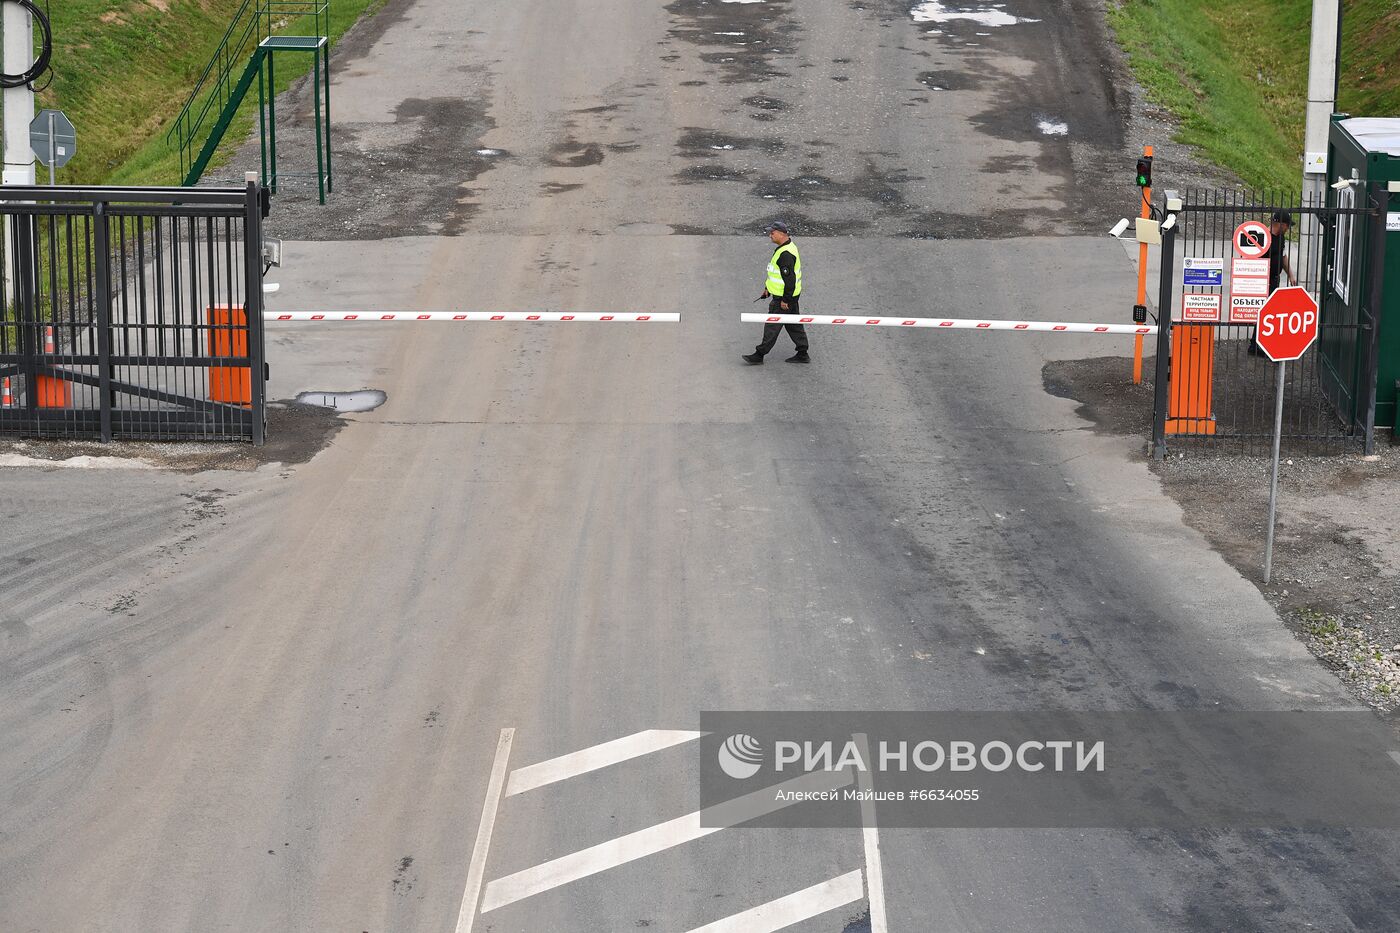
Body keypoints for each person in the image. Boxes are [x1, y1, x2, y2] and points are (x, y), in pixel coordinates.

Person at [742, 221, 808, 364]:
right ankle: (803, 353)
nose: (769, 235)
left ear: (782, 233)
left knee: (772, 326)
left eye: (772, 232)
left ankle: (759, 354)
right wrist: (768, 289)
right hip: (789, 296)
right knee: (793, 324)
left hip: (783, 299)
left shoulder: (785, 254)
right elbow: (776, 274)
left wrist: (786, 300)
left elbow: (789, 280)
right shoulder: (786, 247)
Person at [1248, 210, 1298, 356]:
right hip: (1262, 281)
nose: (1288, 228)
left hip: (1274, 280)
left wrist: (1291, 275)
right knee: (1264, 312)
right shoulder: (1263, 237)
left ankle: (1258, 344)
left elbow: (1283, 257)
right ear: (1281, 224)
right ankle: (1257, 346)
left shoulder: (1281, 238)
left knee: (1269, 312)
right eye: (1287, 225)